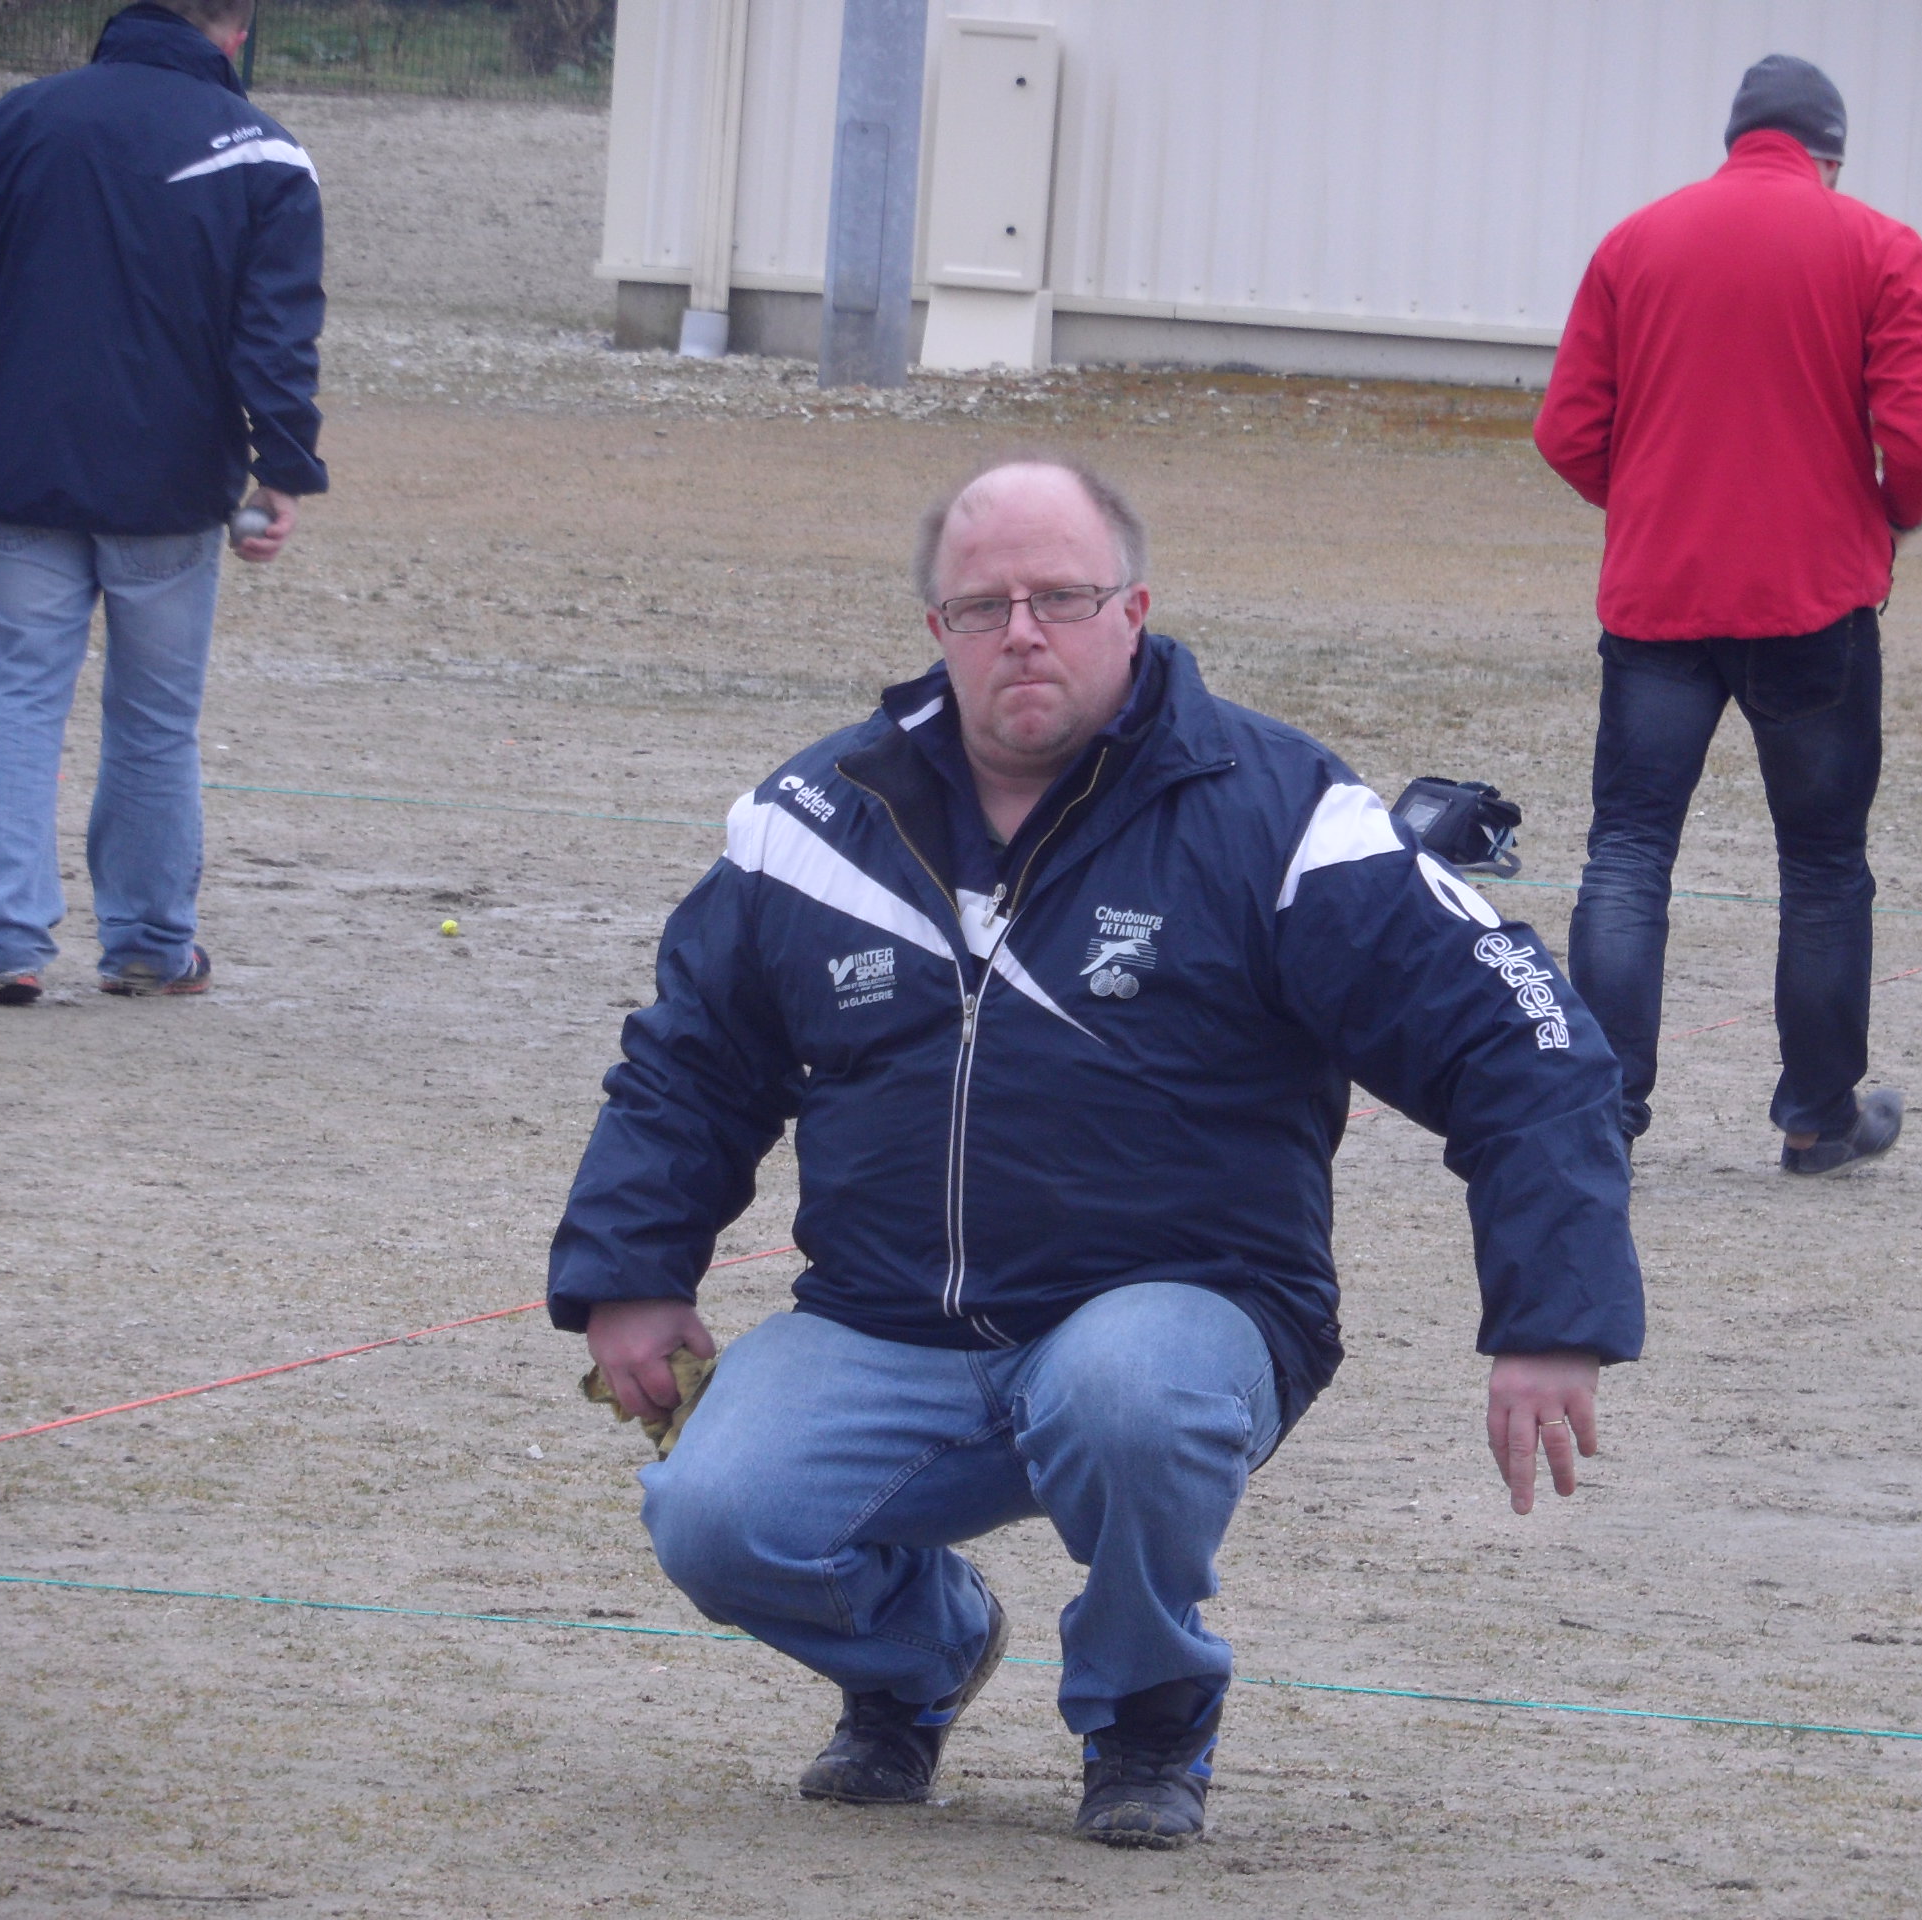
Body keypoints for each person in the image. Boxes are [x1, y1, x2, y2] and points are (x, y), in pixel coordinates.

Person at [551, 458, 1644, 1848]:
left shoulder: (1283, 814)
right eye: (983, 604)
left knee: (1126, 1394)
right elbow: (689, 1064)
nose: (1022, 632)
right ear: (932, 627)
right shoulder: (810, 821)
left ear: (1133, 607)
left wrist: (1554, 1318)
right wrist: (630, 1272)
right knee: (709, 1511)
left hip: (1180, 1314)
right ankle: (920, 1660)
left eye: (1060, 599)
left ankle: (1145, 1719)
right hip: (888, 1324)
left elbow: (1526, 1048)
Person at [1533, 54, 1922, 1175]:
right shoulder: (1877, 246)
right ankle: (1819, 1117)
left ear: (1735, 141)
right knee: (1821, 865)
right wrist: (1885, 521)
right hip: (1811, 601)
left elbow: (1568, 431)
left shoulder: (1635, 244)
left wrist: (1648, 506)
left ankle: (1600, 1116)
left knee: (1627, 855)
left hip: (1659, 599)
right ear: (1829, 153)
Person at [0, 0, 326, 1005]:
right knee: (155, 719)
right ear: (235, 30)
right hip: (170, 488)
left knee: (21, 702)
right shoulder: (267, 153)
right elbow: (275, 337)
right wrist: (283, 468)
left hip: (25, 468)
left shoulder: (22, 119)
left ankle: (6, 944)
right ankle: (152, 944)